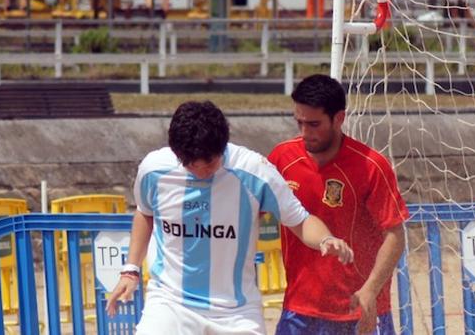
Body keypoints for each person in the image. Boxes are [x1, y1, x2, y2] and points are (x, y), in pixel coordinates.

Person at [105, 100, 354, 335]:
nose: (201, 171)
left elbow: (300, 220)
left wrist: (325, 239)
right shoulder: (154, 169)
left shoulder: (255, 171)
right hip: (171, 302)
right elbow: (145, 213)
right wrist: (130, 270)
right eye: (192, 165)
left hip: (236, 310)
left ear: (223, 146)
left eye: (210, 163)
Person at [268, 74, 409, 334]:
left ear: (339, 118)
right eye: (299, 122)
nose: (304, 132)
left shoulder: (370, 165)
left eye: (313, 124)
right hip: (300, 309)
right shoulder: (282, 158)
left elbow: (395, 235)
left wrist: (370, 290)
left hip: (358, 308)